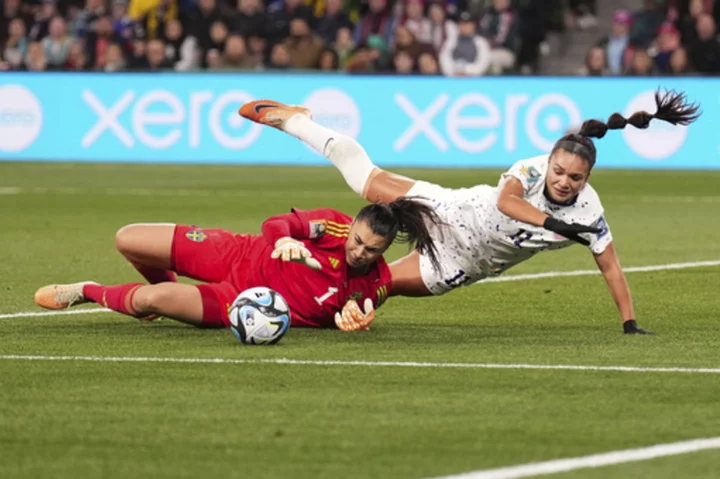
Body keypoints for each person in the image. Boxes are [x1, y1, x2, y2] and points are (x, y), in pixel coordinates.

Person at [238, 90, 701, 335]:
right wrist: (555, 223)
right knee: (365, 179)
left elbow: (612, 267)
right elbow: (506, 202)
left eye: (574, 179)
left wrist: (629, 323)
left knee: (376, 289)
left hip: (465, 264)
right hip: (451, 211)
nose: (562, 181)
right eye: (559, 170)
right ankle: (296, 120)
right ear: (551, 162)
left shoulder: (591, 213)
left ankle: (335, 313)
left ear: (587, 181)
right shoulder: (532, 169)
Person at [33, 198, 445, 332]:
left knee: (149, 299)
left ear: (385, 250)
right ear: (351, 225)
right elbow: (276, 223)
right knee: (129, 240)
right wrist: (284, 239)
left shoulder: (377, 282)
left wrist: (355, 318)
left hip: (240, 302)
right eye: (357, 241)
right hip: (237, 253)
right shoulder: (331, 225)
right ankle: (168, 297)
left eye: (371, 250)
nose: (358, 252)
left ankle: (87, 291)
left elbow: (361, 308)